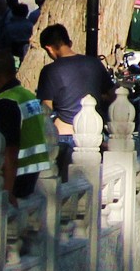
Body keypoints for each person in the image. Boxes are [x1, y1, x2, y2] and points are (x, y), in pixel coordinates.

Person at [33, 24, 114, 171]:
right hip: (94, 133)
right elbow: (112, 95)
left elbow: (46, 108)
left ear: (49, 48)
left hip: (64, 134)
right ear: (68, 42)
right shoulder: (94, 63)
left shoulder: (50, 71)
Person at [0, 51, 53, 199]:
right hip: (35, 171)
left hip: (18, 175)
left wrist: (8, 190)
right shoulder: (28, 95)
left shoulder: (7, 103)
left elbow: (10, 150)